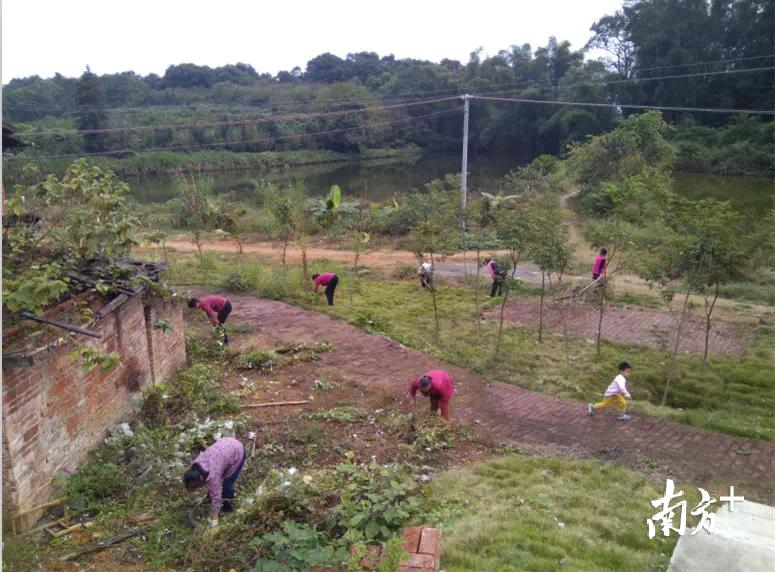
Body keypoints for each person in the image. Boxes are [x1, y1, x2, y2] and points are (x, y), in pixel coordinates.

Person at [183, 437, 246, 529]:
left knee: (227, 484)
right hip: (226, 444)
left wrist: (214, 523)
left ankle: (227, 509)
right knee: (216, 483)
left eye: (197, 486)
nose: (198, 488)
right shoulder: (195, 464)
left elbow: (216, 498)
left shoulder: (212, 476)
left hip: (237, 451)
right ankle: (211, 495)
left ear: (201, 477)